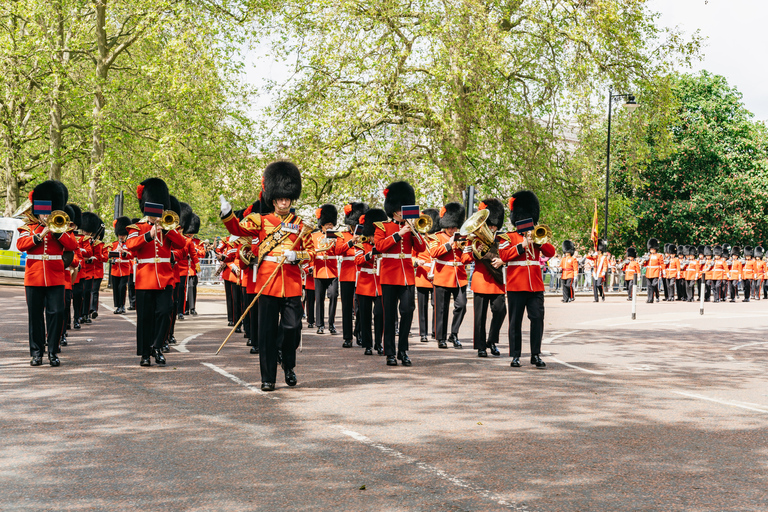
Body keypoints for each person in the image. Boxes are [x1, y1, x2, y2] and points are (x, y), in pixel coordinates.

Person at [221, 160, 315, 391]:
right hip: (267, 283)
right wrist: (227, 215)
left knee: (293, 327)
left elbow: (311, 253)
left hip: (291, 283)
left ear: (291, 199)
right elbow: (238, 230)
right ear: (273, 199)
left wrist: (298, 256)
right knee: (266, 332)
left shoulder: (300, 224)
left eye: (287, 198)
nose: (284, 202)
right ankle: (268, 378)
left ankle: (288, 363)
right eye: (280, 198)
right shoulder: (260, 221)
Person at [125, 178, 187, 366]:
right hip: (145, 278)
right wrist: (149, 235)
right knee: (144, 317)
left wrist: (166, 229)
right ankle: (145, 353)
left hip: (165, 278)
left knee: (165, 312)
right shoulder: (137, 227)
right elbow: (130, 246)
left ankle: (158, 347)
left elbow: (182, 244)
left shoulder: (169, 227)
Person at [18, 180, 79, 366]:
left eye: (49, 211)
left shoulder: (62, 228)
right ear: (38, 210)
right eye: (43, 211)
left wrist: (57, 232)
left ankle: (53, 352)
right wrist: (40, 234)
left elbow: (73, 245)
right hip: (34, 278)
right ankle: (37, 353)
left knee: (56, 314)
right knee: (35, 317)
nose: (46, 214)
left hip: (55, 278)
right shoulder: (28, 227)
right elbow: (21, 245)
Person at [498, 190, 555, 368]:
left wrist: (538, 241)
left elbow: (551, 252)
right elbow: (504, 255)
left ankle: (535, 354)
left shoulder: (537, 236)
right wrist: (522, 246)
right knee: (515, 322)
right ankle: (515, 355)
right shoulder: (508, 237)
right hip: (516, 285)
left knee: (537, 319)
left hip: (536, 286)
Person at [374, 180, 427, 367]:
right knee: (389, 315)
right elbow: (379, 247)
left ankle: (403, 350)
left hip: (406, 276)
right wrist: (398, 233)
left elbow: (421, 247)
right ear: (394, 209)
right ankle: (389, 352)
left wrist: (413, 231)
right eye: (400, 208)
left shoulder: (412, 227)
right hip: (389, 275)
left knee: (407, 311)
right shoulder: (382, 227)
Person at [463, 198, 506, 358]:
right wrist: (471, 248)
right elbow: (465, 259)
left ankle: (491, 341)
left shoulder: (502, 238)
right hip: (481, 280)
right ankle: (481, 346)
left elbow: (507, 255)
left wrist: (503, 260)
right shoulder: (475, 238)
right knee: (480, 316)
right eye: (491, 224)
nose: (493, 226)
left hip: (497, 282)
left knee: (501, 311)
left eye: (495, 224)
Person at [430, 202, 468, 349]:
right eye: (451, 227)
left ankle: (454, 334)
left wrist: (467, 250)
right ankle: (441, 337)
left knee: (462, 306)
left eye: (455, 227)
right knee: (441, 309)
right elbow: (434, 253)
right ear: (446, 225)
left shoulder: (463, 237)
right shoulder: (436, 237)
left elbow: (465, 259)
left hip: (459, 276)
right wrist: (449, 244)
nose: (453, 229)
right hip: (443, 275)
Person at [355, 208, 386, 355]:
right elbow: (358, 261)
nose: (374, 238)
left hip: (380, 284)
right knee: (365, 316)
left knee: (379, 315)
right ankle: (368, 344)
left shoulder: (384, 245)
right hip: (365, 284)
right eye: (373, 236)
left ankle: (379, 343)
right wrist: (369, 255)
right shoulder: (362, 244)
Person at [337, 202, 367, 347]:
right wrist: (350, 242)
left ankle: (359, 332)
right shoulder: (342, 235)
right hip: (347, 274)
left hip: (362, 273)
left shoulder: (366, 235)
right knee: (347, 307)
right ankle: (347, 337)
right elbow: (337, 250)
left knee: (361, 306)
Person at [312, 204, 339, 335]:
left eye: (331, 224)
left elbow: (339, 251)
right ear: (321, 224)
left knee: (333, 295)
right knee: (319, 299)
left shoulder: (336, 235)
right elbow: (311, 252)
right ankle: (320, 325)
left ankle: (331, 323)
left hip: (332, 270)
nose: (329, 226)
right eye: (327, 224)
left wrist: (335, 243)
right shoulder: (314, 236)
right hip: (319, 270)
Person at [414, 208, 439, 343]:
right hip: (423, 274)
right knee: (422, 306)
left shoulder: (437, 238)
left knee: (437, 305)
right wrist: (417, 262)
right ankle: (423, 333)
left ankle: (435, 331)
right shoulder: (419, 239)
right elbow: (412, 257)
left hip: (436, 274)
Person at [109, 216, 133, 314]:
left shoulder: (129, 244)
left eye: (123, 235)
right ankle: (118, 306)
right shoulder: (114, 244)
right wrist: (114, 253)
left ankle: (122, 305)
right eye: (119, 235)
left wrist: (124, 252)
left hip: (125, 269)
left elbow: (131, 255)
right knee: (116, 288)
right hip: (115, 270)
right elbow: (109, 255)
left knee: (122, 287)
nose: (121, 237)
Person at [643, 238, 662, 303]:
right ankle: (650, 299)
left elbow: (661, 264)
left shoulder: (659, 256)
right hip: (649, 272)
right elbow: (644, 265)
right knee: (649, 286)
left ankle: (657, 295)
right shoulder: (648, 256)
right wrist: (644, 260)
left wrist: (662, 273)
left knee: (654, 285)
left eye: (653, 249)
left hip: (656, 272)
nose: (652, 250)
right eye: (651, 249)